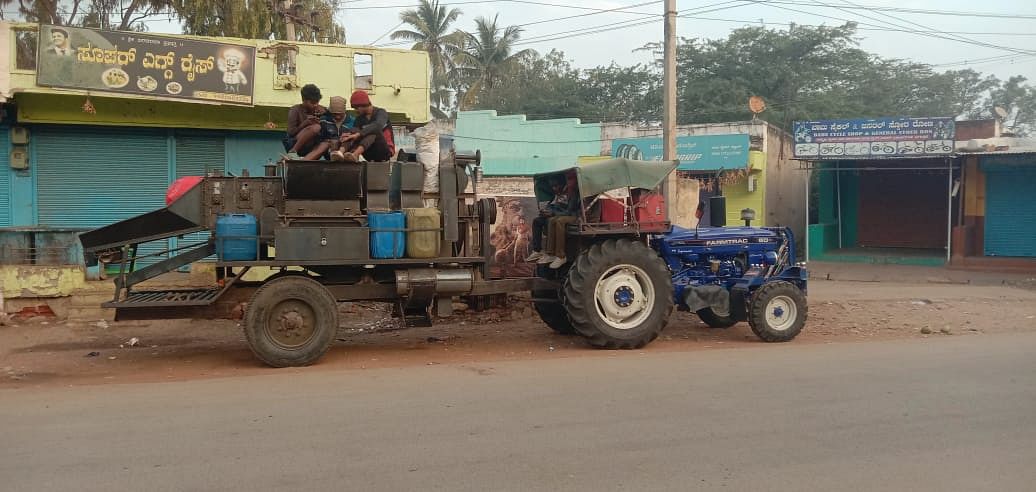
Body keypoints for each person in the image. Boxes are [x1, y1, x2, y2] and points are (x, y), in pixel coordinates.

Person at [525, 174, 577, 268]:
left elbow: (569, 211)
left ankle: (558, 255)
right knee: (537, 221)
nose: (554, 188)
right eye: (552, 186)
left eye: (556, 186)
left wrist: (553, 214)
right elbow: (553, 205)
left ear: (562, 184)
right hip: (556, 214)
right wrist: (547, 211)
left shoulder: (570, 193)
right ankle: (538, 250)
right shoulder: (558, 194)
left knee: (554, 220)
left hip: (569, 216)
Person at [338, 90, 395, 162]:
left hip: (384, 151)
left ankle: (355, 154)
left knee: (373, 130)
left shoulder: (381, 113)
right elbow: (354, 132)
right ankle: (340, 153)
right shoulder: (359, 119)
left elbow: (378, 125)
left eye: (356, 108)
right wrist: (348, 135)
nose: (356, 111)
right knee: (353, 131)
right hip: (369, 151)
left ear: (363, 105)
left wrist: (359, 134)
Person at [302, 96, 356, 160]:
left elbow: (356, 138)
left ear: (344, 111)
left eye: (340, 114)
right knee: (326, 144)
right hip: (328, 150)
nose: (337, 117)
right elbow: (319, 138)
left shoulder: (352, 122)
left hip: (346, 151)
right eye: (335, 114)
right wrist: (328, 141)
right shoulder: (324, 120)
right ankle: (302, 162)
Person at [283, 84, 325, 159]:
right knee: (316, 127)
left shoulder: (321, 109)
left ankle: (307, 158)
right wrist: (304, 124)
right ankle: (293, 152)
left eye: (317, 102)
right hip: (295, 143)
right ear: (304, 100)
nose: (315, 105)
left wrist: (325, 116)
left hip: (313, 145)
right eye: (312, 103)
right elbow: (291, 132)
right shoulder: (295, 110)